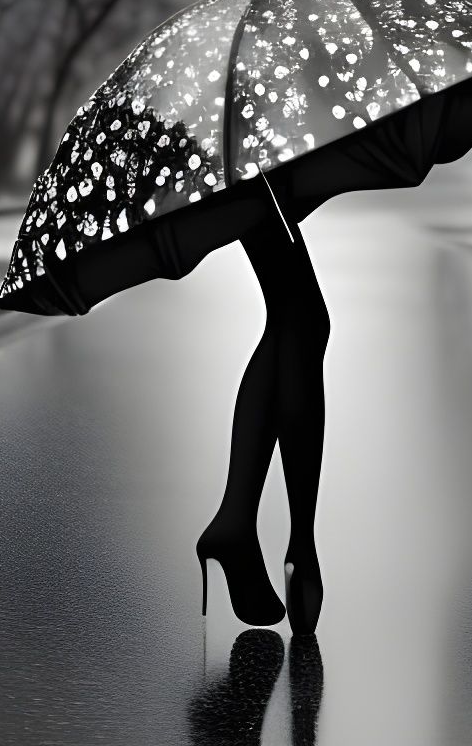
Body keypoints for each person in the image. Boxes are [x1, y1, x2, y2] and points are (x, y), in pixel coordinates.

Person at [196, 174, 328, 636]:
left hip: (223, 153)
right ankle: (298, 546)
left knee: (299, 315)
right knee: (302, 316)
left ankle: (239, 522)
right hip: (229, 158)